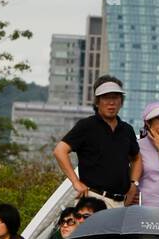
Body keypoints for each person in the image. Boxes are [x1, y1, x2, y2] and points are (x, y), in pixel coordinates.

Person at [53, 77, 141, 205]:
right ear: (97, 102)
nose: (111, 102)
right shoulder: (86, 126)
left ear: (121, 102)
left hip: (120, 202)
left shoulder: (127, 130)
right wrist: (75, 182)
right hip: (93, 199)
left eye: (115, 97)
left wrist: (134, 184)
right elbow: (59, 151)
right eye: (106, 98)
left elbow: (137, 158)